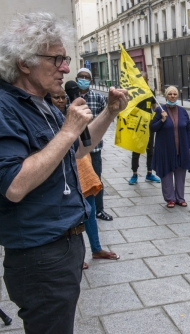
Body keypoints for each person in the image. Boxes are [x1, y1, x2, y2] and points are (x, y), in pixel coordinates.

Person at [0, 12, 128, 333]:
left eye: (65, 59)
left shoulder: (40, 104)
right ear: (24, 63)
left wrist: (108, 112)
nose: (66, 68)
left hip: (64, 246)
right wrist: (67, 129)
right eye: (57, 59)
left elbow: (77, 150)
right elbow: (14, 184)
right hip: (39, 255)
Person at [51, 89, 119, 268]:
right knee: (72, 216)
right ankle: (75, 256)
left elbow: (85, 143)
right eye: (55, 97)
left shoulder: (73, 115)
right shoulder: (47, 118)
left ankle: (96, 248)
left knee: (90, 210)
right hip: (65, 175)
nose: (59, 101)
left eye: (62, 97)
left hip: (83, 167)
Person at [72, 67, 113, 221]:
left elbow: (106, 118)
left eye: (86, 77)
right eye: (80, 77)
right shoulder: (70, 97)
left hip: (94, 147)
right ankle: (78, 209)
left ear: (91, 80)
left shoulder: (98, 97)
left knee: (96, 178)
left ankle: (99, 210)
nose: (83, 79)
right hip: (75, 148)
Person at [150, 86, 190, 208]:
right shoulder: (160, 110)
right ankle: (170, 199)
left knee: (180, 174)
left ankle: (180, 198)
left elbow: (188, 128)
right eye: (170, 94)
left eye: (175, 94)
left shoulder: (183, 111)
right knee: (167, 174)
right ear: (166, 96)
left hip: (182, 148)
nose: (173, 96)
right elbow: (152, 127)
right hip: (165, 149)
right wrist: (162, 120)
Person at [128, 72, 161, 185]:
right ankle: (134, 174)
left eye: (144, 79)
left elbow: (154, 107)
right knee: (136, 149)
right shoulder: (134, 93)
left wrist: (159, 114)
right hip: (137, 125)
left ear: (147, 80)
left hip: (148, 125)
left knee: (150, 150)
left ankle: (149, 173)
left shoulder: (150, 93)